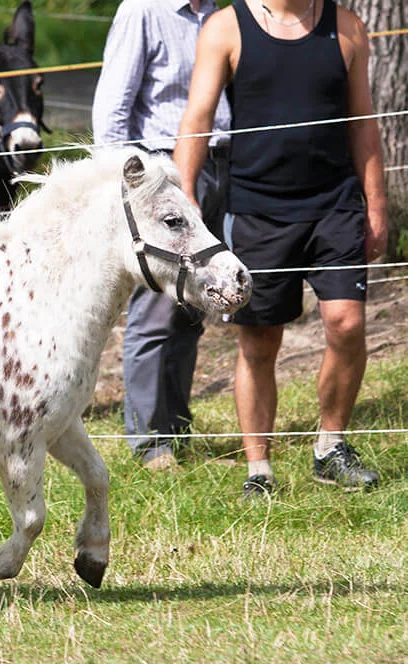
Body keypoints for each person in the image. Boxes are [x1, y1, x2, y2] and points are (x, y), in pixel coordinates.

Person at [175, 0, 388, 496]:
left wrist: (375, 206)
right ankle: (259, 469)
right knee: (260, 340)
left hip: (335, 205)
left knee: (347, 322)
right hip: (257, 210)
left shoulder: (348, 28)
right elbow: (197, 118)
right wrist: (185, 195)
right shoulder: (225, 28)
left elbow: (364, 123)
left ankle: (330, 447)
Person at [92, 0, 231, 471]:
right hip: (164, 174)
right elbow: (111, 110)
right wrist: (131, 188)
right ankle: (150, 440)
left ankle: (176, 429)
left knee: (192, 308)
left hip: (219, 168)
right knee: (154, 311)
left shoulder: (219, 14)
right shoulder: (143, 11)